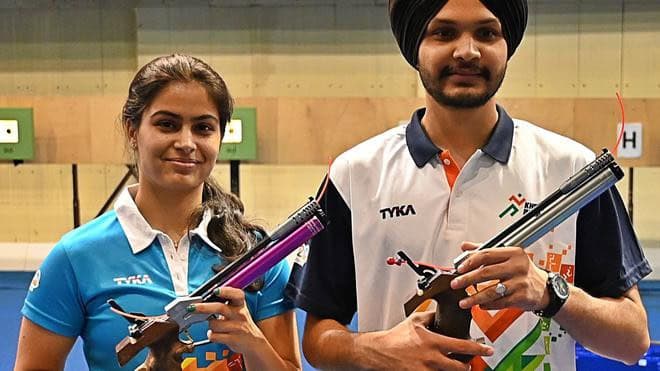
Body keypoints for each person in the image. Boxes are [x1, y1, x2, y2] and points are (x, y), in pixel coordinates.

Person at [290, 1, 652, 370]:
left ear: (507, 45)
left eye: (487, 33)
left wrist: (548, 291)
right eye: (444, 33)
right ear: (414, 45)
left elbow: (632, 340)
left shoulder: (574, 171)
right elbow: (317, 336)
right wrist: (373, 349)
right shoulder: (355, 174)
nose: (467, 51)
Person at [15, 54, 301, 371]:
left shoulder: (258, 254)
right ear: (132, 130)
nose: (186, 142)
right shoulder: (75, 256)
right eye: (167, 124)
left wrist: (253, 343)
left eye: (204, 128)